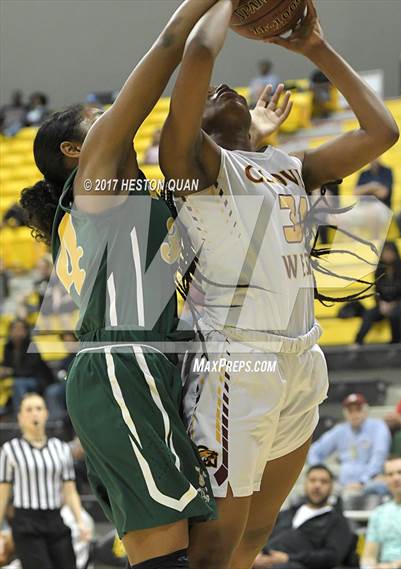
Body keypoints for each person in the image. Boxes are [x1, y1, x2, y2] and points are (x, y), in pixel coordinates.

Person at [159, 0, 399, 567]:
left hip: (302, 357)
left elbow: (381, 131)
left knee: (254, 536)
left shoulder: (286, 166)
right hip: (239, 365)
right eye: (212, 95)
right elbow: (197, 51)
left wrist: (315, 49)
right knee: (216, 542)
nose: (223, 87)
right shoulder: (192, 167)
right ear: (196, 129)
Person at [19, 3, 250, 568]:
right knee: (165, 558)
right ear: (77, 150)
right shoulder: (95, 179)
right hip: (121, 367)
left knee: (183, 552)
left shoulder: (130, 194)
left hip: (142, 363)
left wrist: (249, 143)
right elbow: (169, 52)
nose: (112, 117)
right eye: (98, 116)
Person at [0, 393, 91, 569]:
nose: (34, 413)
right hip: (26, 523)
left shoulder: (61, 449)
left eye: (39, 408)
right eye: (29, 409)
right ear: (19, 417)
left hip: (55, 519)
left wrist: (81, 522)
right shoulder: (9, 450)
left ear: (46, 413)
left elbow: (70, 491)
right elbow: (2, 496)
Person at [253, 464, 355, 569]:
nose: (317, 485)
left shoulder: (337, 521)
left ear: (331, 487)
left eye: (324, 482)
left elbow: (332, 557)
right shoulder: (286, 514)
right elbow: (261, 539)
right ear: (305, 484)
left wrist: (288, 558)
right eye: (312, 480)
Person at [308, 394, 391, 498]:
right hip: (342, 484)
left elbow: (379, 456)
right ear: (345, 414)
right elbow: (314, 451)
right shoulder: (340, 430)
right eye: (350, 411)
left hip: (370, 481)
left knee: (378, 486)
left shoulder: (378, 426)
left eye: (358, 409)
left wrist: (362, 481)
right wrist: (322, 473)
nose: (354, 414)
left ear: (365, 411)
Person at [360, 456, 401, 569]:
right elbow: (369, 555)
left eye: (400, 472)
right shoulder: (379, 513)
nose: (396, 478)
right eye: (390, 474)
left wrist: (393, 566)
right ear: (385, 479)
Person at [355, 241, 401, 345]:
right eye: (385, 252)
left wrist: (395, 303)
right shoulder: (379, 271)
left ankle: (395, 343)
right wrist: (381, 304)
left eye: (390, 252)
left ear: (395, 253)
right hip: (384, 305)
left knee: (396, 313)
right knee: (368, 314)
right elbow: (376, 291)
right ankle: (357, 343)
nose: (387, 255)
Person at [0, 319, 54, 413]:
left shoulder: (32, 346)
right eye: (14, 329)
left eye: (20, 329)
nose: (17, 331)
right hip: (17, 378)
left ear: (26, 331)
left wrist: (10, 372)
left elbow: (30, 370)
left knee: (18, 384)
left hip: (37, 380)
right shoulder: (8, 347)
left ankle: (21, 414)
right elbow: (6, 364)